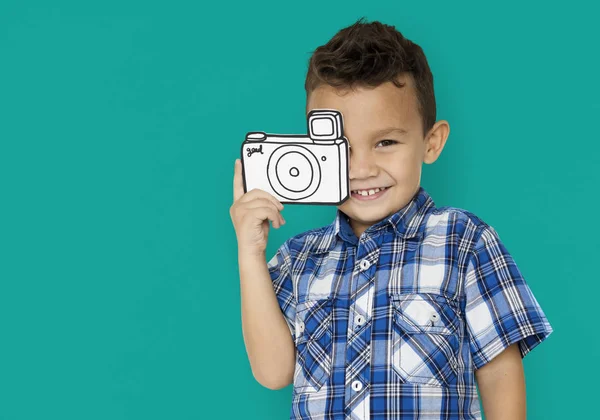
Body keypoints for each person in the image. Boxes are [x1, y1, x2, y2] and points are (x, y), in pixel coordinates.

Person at [230, 17, 553, 420]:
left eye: (385, 142)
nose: (362, 168)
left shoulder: (464, 240)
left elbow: (500, 371)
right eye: (341, 147)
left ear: (431, 142)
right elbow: (273, 372)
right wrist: (249, 251)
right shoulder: (299, 257)